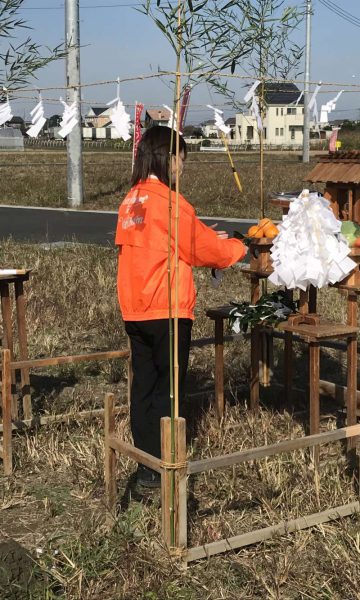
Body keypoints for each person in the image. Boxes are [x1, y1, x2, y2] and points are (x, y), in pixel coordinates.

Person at [115, 125, 246, 492]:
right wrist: (238, 246)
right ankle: (164, 466)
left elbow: (169, 241)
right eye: (181, 159)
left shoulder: (131, 200)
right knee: (168, 390)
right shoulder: (171, 203)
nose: (182, 167)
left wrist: (202, 234)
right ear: (168, 158)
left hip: (135, 307)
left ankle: (145, 466)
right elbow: (208, 251)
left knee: (143, 387)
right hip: (166, 308)